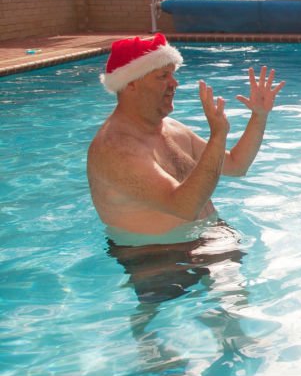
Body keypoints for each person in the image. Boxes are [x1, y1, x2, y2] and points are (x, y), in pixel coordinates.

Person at [87, 33, 284, 237]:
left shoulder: (172, 128)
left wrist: (259, 116)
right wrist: (218, 135)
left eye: (172, 74)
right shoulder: (116, 149)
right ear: (130, 84)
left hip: (208, 240)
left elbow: (236, 165)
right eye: (163, 76)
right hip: (161, 260)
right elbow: (184, 207)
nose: (174, 83)